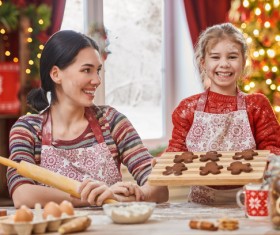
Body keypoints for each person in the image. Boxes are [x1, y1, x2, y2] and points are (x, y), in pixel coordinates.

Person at [7, 30, 168, 208]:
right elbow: (22, 195)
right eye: (86, 70)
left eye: (97, 70)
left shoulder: (111, 121)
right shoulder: (28, 129)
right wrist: (92, 197)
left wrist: (129, 196)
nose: (97, 80)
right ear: (56, 74)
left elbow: (159, 189)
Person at [166, 22, 280, 204]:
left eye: (232, 57)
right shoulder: (188, 108)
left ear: (243, 61)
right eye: (215, 57)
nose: (224, 64)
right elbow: (177, 152)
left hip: (249, 201)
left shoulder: (257, 105)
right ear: (203, 63)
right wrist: (162, 163)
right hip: (200, 204)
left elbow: (273, 148)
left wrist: (272, 158)